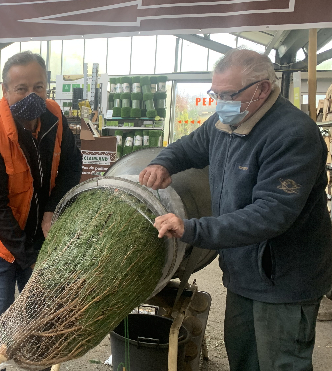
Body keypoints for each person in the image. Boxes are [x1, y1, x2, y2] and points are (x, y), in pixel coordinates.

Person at [139, 48, 332, 371]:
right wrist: (164, 162)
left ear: (262, 89)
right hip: (242, 271)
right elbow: (190, 146)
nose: (220, 103)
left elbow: (271, 213)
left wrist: (192, 228)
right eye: (216, 93)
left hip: (284, 277)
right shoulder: (226, 121)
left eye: (228, 94)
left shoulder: (293, 134)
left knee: (281, 362)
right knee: (244, 357)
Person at [0, 51, 82, 365]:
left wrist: (51, 208)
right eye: (21, 88)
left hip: (38, 227)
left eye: (39, 87)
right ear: (5, 91)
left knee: (41, 310)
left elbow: (72, 166)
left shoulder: (54, 117)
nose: (32, 95)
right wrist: (29, 257)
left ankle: (37, 364)